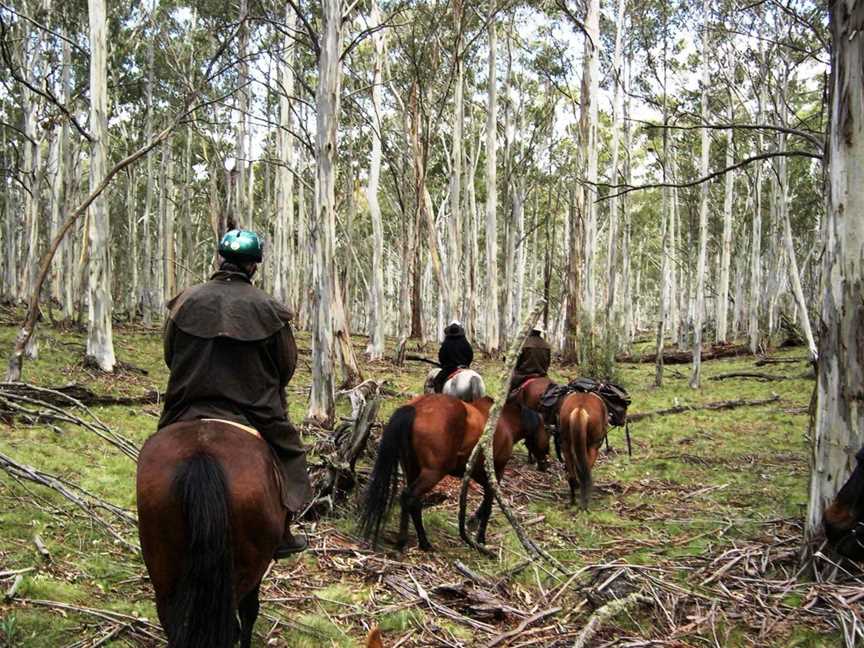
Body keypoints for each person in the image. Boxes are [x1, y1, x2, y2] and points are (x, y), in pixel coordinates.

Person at [158, 229, 312, 559]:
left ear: (221, 259)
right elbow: (286, 365)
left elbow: (170, 354)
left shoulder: (187, 300)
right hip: (254, 408)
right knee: (291, 453)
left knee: (159, 447)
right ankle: (283, 530)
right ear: (254, 266)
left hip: (189, 401)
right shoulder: (269, 310)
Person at [432, 320, 474, 393]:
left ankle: (440, 399)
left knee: (437, 381)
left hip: (450, 369)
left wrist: (444, 365)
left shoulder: (447, 342)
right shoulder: (464, 341)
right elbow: (470, 355)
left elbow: (441, 356)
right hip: (464, 367)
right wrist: (466, 364)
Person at [510, 327, 552, 391]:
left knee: (509, 388)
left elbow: (517, 362)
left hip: (523, 375)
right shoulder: (546, 345)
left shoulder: (524, 343)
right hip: (542, 374)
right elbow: (548, 362)